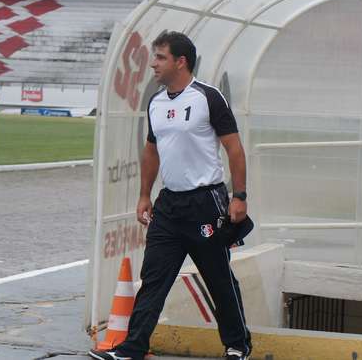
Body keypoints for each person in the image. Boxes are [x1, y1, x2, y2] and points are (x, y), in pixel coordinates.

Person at [88, 32, 251, 360]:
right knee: (153, 278)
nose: (153, 64)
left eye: (160, 57)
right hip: (169, 204)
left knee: (218, 278)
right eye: (154, 57)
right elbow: (151, 151)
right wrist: (144, 194)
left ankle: (237, 345)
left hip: (206, 203)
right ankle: (132, 349)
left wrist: (239, 196)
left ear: (181, 61)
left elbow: (234, 148)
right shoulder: (156, 103)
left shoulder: (208, 97)